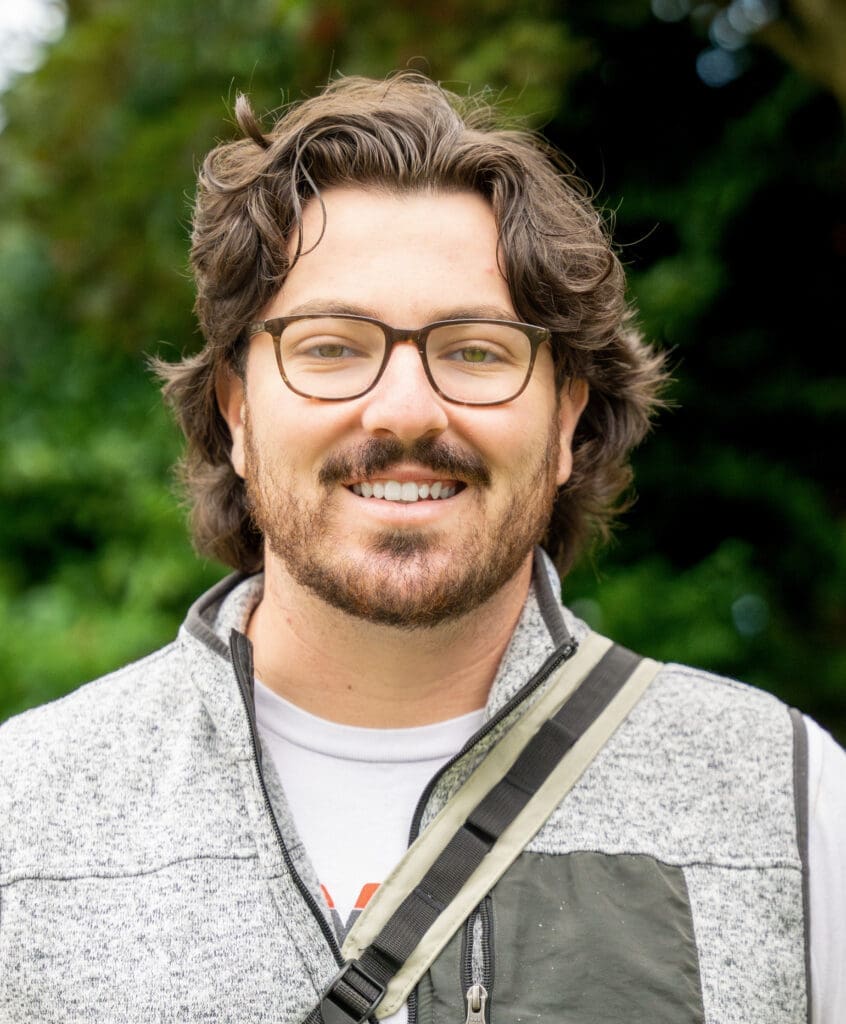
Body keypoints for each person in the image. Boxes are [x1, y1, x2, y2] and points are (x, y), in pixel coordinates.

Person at [0, 73, 843, 1024]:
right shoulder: (22, 824)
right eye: (330, 347)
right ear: (237, 413)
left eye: (476, 350)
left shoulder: (790, 807)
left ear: (567, 420)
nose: (403, 409)